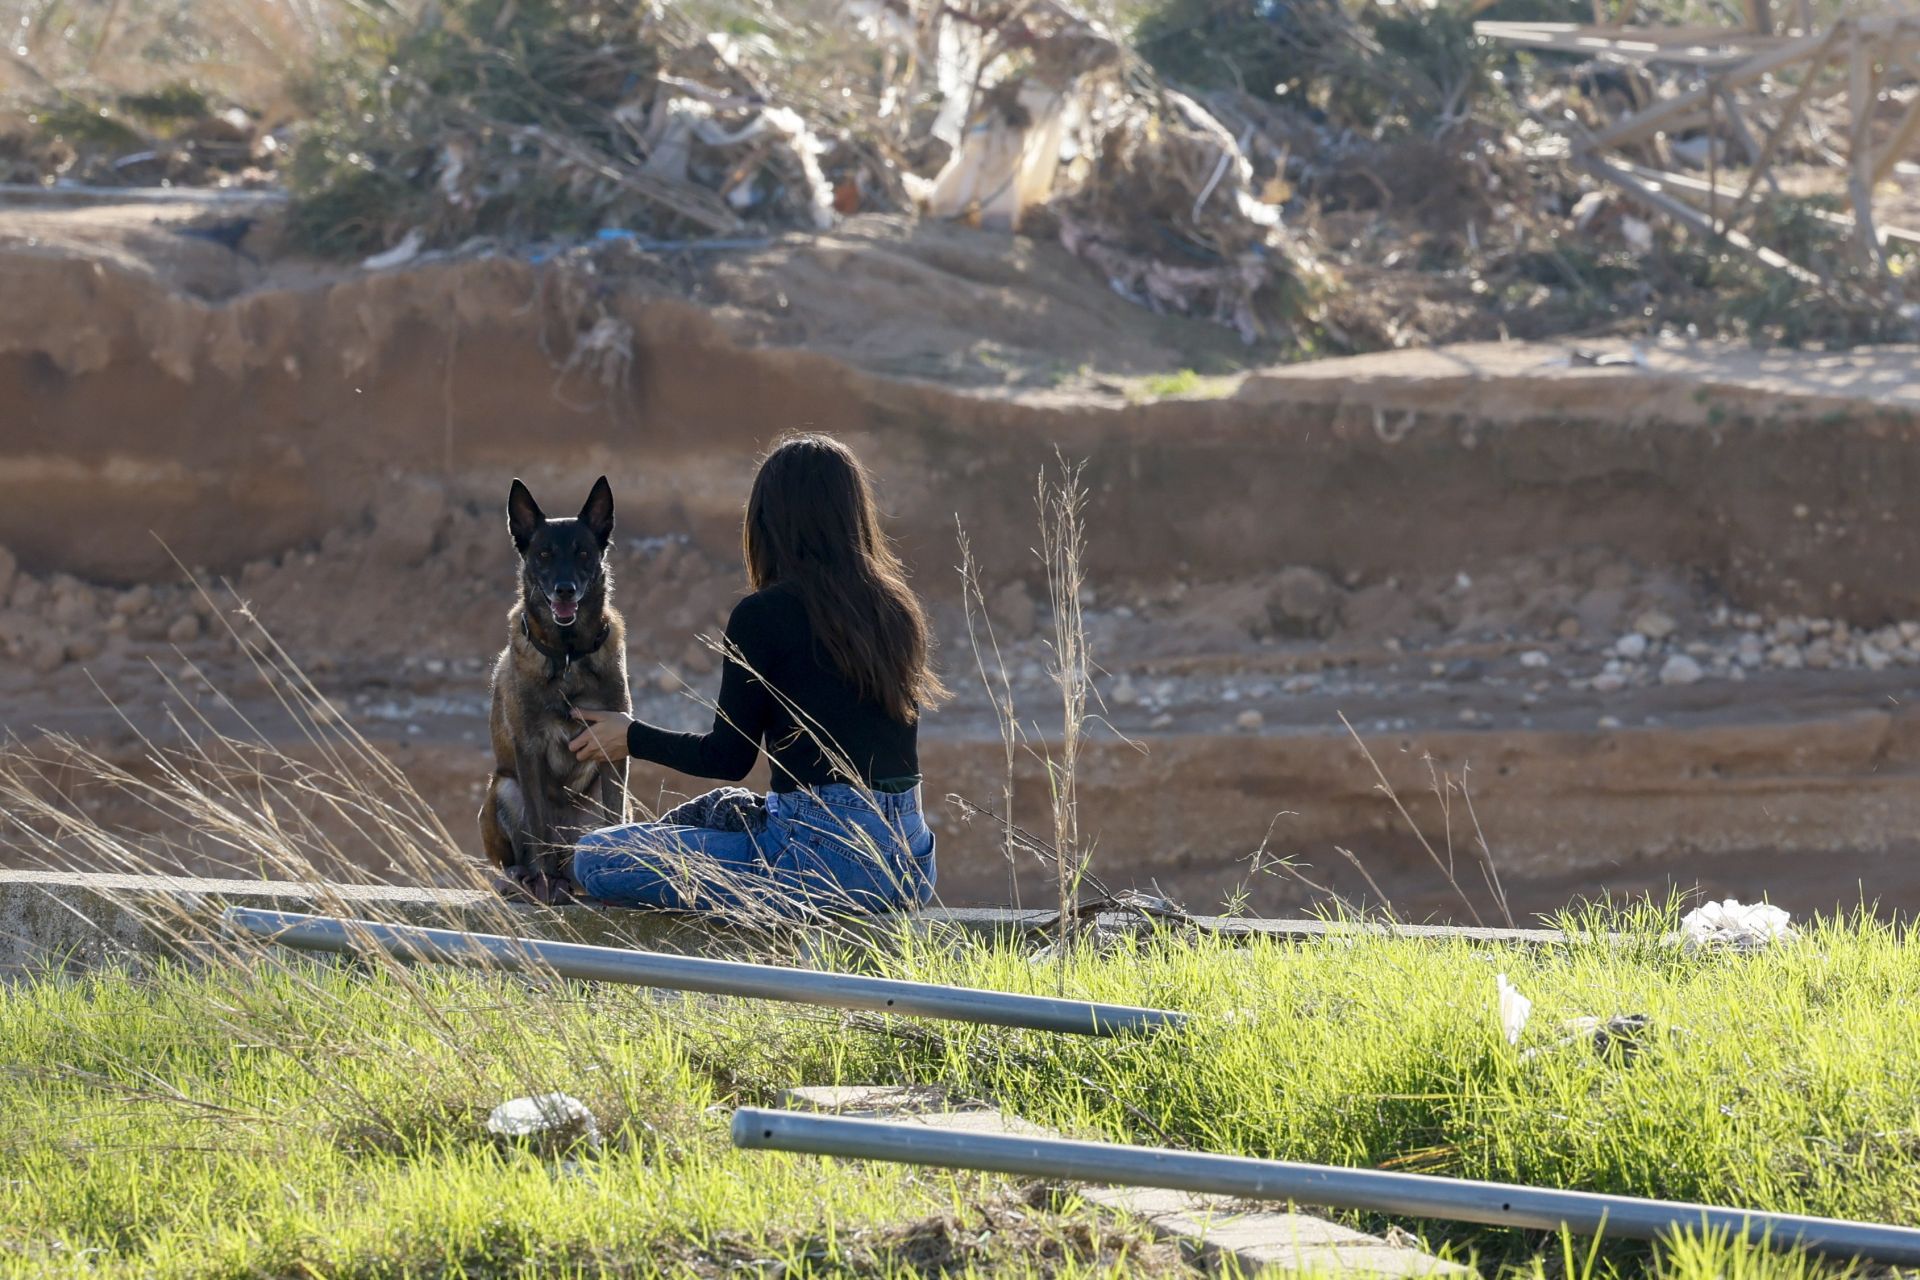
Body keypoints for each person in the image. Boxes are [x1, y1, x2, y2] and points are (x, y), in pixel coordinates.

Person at [563, 432, 946, 916]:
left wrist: (630, 737)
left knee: (596, 858)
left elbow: (728, 756)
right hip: (911, 863)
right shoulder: (895, 608)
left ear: (767, 521)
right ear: (854, 515)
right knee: (722, 807)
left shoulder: (763, 615)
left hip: (821, 862)